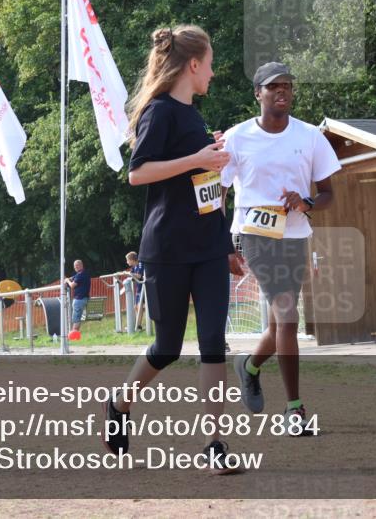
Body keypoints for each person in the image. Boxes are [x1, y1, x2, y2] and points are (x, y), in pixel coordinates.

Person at [102, 25, 239, 474]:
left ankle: (214, 444)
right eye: (211, 64)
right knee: (167, 346)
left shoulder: (195, 115)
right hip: (166, 248)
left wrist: (212, 156)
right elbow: (137, 174)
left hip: (208, 247)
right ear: (193, 65)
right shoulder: (158, 112)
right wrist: (198, 159)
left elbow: (204, 185)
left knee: (214, 342)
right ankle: (119, 406)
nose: (214, 74)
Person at [221, 61, 340, 434]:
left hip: (295, 236)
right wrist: (223, 244)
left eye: (287, 85)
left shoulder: (309, 136)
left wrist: (305, 203)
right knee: (288, 316)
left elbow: (329, 194)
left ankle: (249, 366)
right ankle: (294, 409)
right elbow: (219, 192)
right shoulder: (237, 137)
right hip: (254, 236)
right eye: (274, 86)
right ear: (258, 93)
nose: (282, 91)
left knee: (278, 325)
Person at [65, 259, 91, 337]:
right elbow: (72, 278)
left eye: (77, 265)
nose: (75, 267)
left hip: (79, 299)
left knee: (76, 318)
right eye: (74, 266)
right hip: (84, 298)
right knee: (77, 317)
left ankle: (73, 336)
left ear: (81, 265)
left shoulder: (80, 275)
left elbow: (72, 285)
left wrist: (67, 281)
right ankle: (75, 334)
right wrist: (68, 279)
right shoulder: (83, 273)